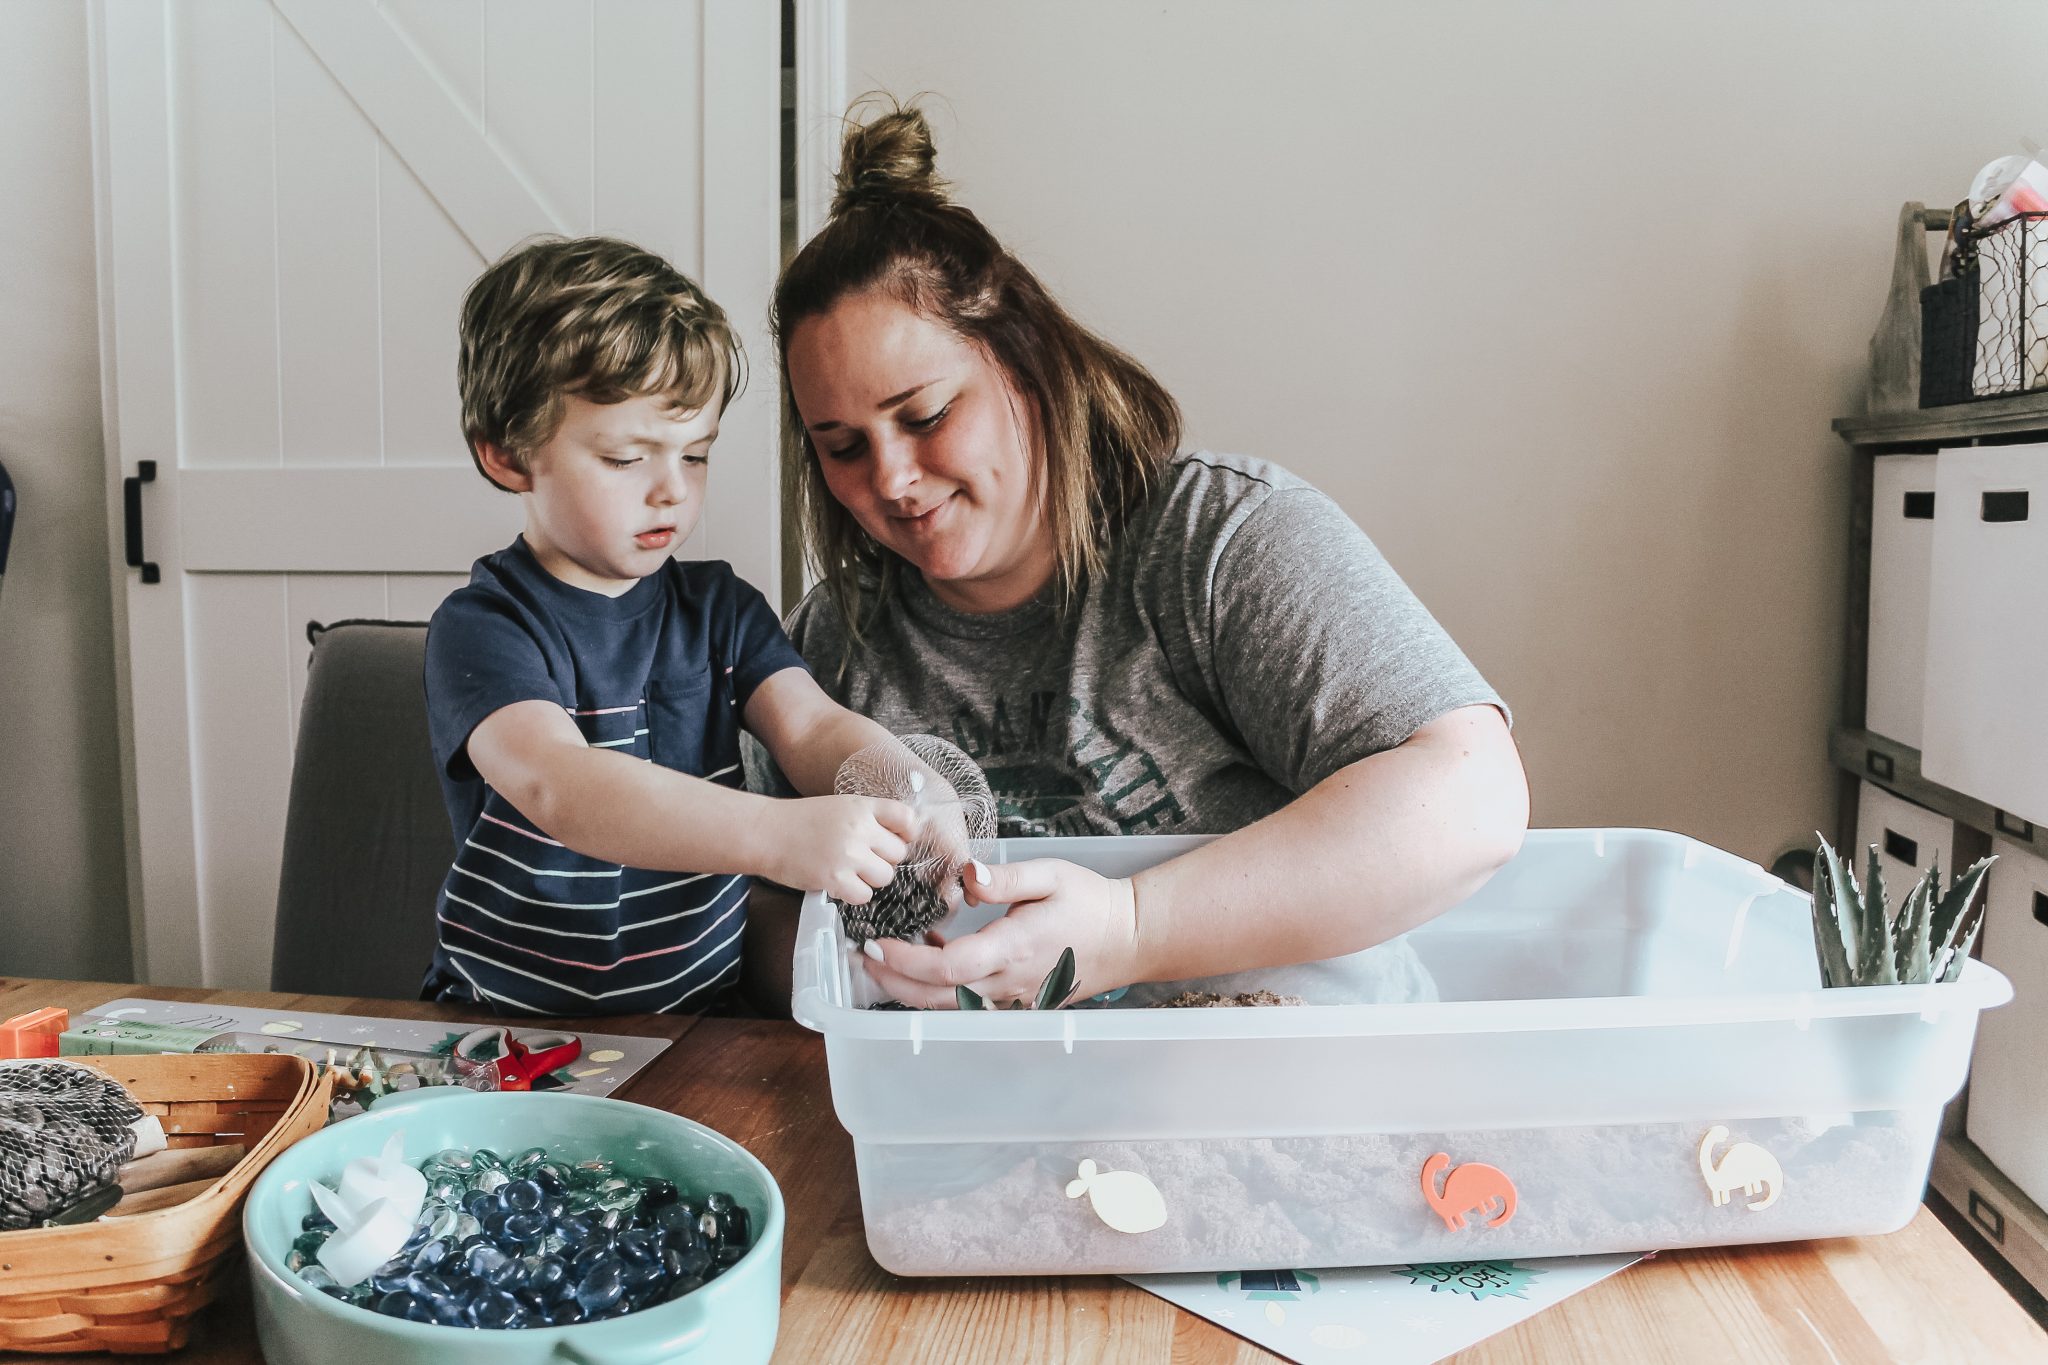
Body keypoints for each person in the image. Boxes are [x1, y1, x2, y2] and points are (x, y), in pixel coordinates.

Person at [758, 104, 1530, 1009]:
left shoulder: (1219, 543)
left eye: (925, 416)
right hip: (983, 1127)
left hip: (1294, 1101)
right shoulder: (828, 646)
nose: (891, 478)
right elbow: (761, 929)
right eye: (843, 446)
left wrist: (1130, 930)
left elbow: (1473, 800)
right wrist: (864, 979)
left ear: (1023, 359)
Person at [419, 235, 923, 1017]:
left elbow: (813, 727)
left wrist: (910, 793)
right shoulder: (485, 626)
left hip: (701, 1018)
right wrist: (775, 834)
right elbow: (563, 786)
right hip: (508, 1024)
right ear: (509, 456)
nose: (670, 492)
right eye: (627, 458)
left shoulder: (721, 607)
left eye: (696, 455)